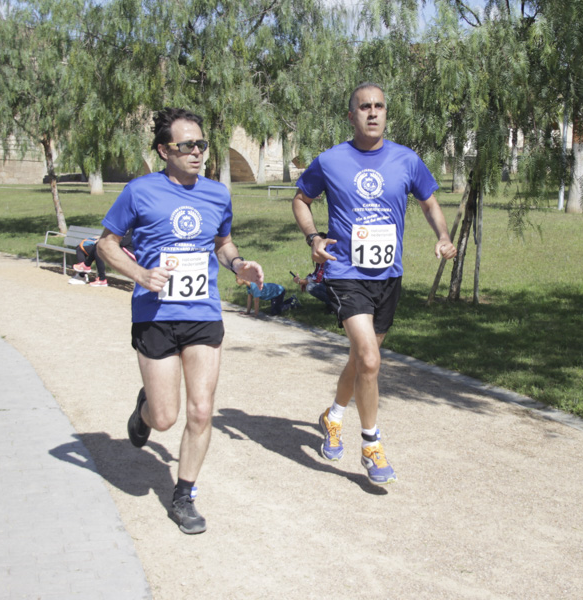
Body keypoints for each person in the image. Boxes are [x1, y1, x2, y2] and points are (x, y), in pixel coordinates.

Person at [96, 107, 264, 535]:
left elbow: (223, 243)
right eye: (186, 145)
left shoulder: (217, 194)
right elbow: (106, 245)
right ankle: (145, 411)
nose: (196, 152)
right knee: (166, 416)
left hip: (202, 313)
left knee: (202, 409)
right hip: (154, 315)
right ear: (162, 151)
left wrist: (238, 265)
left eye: (201, 144)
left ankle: (184, 494)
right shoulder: (139, 192)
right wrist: (140, 275)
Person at [292, 82, 457, 485]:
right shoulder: (331, 160)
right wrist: (314, 238)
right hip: (345, 273)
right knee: (368, 360)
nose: (372, 112)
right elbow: (300, 199)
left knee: (361, 360)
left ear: (386, 112)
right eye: (364, 106)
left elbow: (429, 200)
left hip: (388, 277)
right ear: (351, 116)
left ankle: (333, 416)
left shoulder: (406, 159)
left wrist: (443, 235)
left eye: (379, 106)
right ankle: (371, 445)